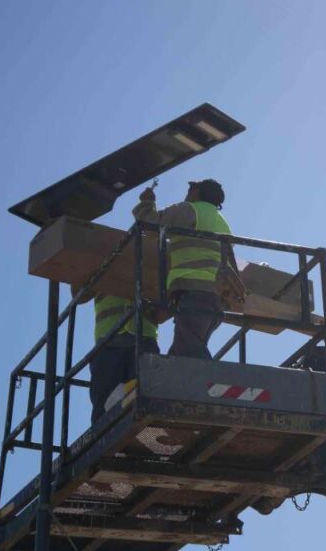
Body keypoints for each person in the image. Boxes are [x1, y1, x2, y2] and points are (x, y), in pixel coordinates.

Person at [133, 179, 242, 358]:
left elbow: (150, 224)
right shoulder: (222, 223)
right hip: (215, 299)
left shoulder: (190, 209)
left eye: (191, 188)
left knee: (188, 353)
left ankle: (205, 382)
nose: (188, 192)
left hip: (196, 293)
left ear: (197, 192)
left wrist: (146, 203)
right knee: (182, 352)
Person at [86, 294, 160, 422]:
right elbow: (77, 292)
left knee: (147, 400)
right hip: (109, 342)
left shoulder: (152, 273)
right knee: (103, 409)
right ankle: (104, 438)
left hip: (143, 339)